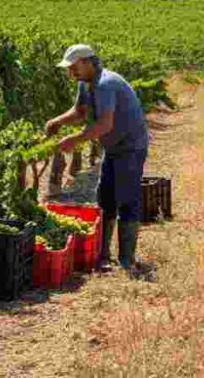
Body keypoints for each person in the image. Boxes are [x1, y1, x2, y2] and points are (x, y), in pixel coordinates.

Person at [45, 44, 149, 272]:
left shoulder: (106, 84)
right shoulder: (86, 83)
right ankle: (103, 255)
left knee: (127, 198)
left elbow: (104, 124)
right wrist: (57, 121)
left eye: (74, 67)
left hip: (131, 147)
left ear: (88, 62)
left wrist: (74, 140)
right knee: (105, 197)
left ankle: (127, 260)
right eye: (69, 69)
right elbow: (79, 111)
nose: (71, 73)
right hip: (113, 148)